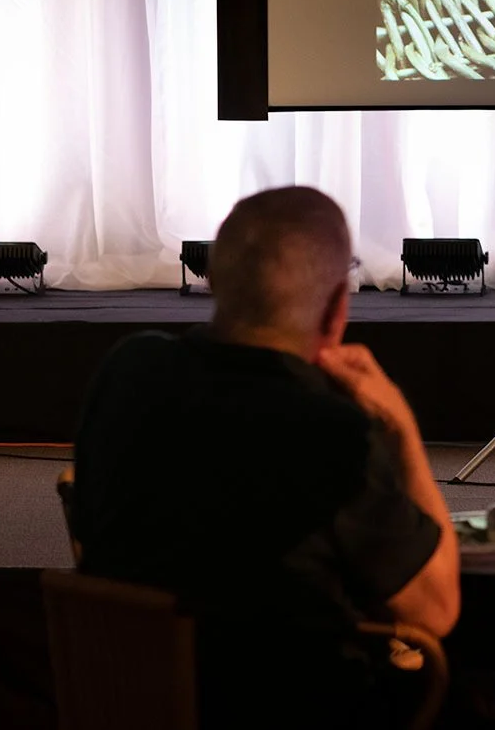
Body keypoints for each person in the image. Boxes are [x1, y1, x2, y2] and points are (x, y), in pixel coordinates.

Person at [71, 186, 459, 729]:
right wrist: (402, 427)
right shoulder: (335, 432)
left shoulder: (127, 370)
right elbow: (435, 610)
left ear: (214, 281)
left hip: (129, 701)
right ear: (336, 309)